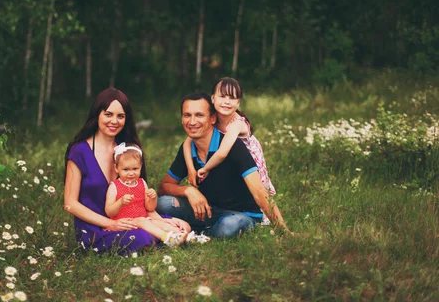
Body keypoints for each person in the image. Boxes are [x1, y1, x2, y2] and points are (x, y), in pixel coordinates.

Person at [63, 88, 190, 255]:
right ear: (97, 115)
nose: (114, 121)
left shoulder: (128, 151)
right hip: (97, 228)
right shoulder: (80, 151)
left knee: (182, 225)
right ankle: (161, 238)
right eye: (108, 114)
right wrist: (110, 224)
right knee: (142, 237)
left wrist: (162, 220)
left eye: (120, 116)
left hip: (133, 219)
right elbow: (70, 203)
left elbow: (140, 199)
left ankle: (168, 235)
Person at [157, 93, 290, 238]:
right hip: (208, 210)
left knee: (228, 227)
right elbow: (164, 187)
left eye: (199, 115)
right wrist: (189, 191)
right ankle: (202, 232)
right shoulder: (188, 149)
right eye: (187, 115)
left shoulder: (232, 146)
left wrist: (284, 231)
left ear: (212, 118)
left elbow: (259, 192)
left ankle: (197, 233)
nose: (192, 121)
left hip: (241, 215)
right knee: (163, 204)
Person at [183, 78, 276, 223]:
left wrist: (205, 168)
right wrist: (190, 168)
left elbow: (222, 153)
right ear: (213, 98)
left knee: (258, 194)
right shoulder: (214, 118)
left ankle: (267, 219)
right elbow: (187, 142)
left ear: (238, 103)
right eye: (222, 96)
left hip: (249, 161)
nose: (227, 101)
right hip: (232, 165)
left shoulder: (236, 124)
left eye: (232, 98)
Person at [105, 143, 188, 247]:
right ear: (116, 168)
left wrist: (152, 198)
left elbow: (150, 208)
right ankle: (167, 238)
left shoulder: (141, 183)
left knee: (162, 224)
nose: (131, 173)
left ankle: (183, 236)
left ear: (140, 167)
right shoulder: (114, 186)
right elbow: (109, 212)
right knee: (142, 221)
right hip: (126, 223)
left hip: (145, 219)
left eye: (135, 169)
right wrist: (120, 202)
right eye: (126, 169)